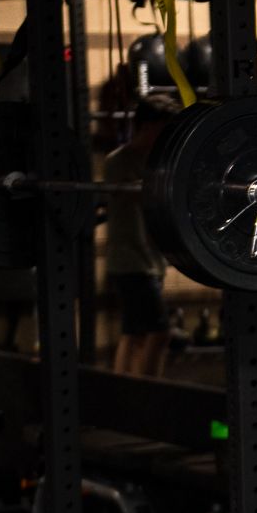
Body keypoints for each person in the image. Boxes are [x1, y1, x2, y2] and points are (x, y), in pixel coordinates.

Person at [104, 92, 179, 375]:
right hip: (132, 262)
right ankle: (149, 394)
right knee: (160, 333)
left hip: (151, 261)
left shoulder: (157, 162)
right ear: (147, 126)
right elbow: (140, 196)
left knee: (134, 334)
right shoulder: (119, 161)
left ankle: (125, 398)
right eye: (162, 129)